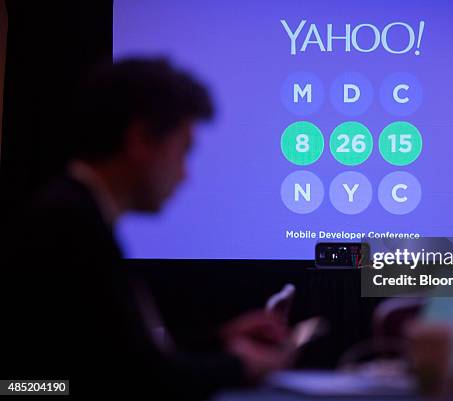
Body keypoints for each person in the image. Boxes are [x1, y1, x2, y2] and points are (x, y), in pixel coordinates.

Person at [2, 58, 293, 399]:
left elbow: (113, 353)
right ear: (140, 139)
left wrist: (220, 340)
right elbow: (127, 380)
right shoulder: (67, 225)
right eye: (183, 151)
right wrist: (240, 364)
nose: (185, 174)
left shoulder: (77, 213)